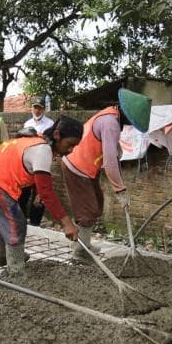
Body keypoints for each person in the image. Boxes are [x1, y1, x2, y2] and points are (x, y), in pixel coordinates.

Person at [0, 116, 82, 276]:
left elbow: (39, 177)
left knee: (8, 219)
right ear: (57, 135)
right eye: (70, 144)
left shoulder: (39, 142)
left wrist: (39, 193)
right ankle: (16, 270)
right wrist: (67, 223)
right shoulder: (42, 150)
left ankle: (5, 256)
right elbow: (47, 192)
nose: (71, 150)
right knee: (16, 221)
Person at [61, 88, 151, 260]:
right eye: (131, 121)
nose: (130, 125)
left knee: (97, 203)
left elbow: (112, 155)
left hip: (87, 167)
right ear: (127, 114)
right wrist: (120, 190)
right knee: (88, 209)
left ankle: (83, 243)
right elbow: (109, 162)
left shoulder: (111, 116)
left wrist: (117, 152)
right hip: (77, 165)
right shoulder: (110, 124)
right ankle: (80, 252)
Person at [19, 96, 55, 227]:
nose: (37, 110)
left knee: (40, 192)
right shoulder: (27, 124)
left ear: (44, 109)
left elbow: (52, 144)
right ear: (31, 108)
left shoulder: (50, 124)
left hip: (42, 161)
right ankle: (21, 220)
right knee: (24, 191)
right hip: (28, 162)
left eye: (40, 108)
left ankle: (35, 222)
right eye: (35, 107)